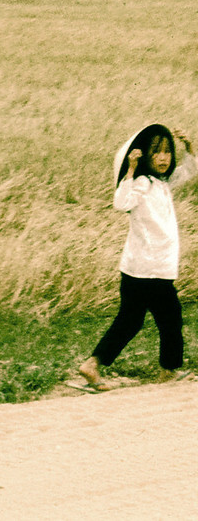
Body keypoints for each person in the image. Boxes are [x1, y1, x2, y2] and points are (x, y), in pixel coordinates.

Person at [79, 124, 197, 390]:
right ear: (143, 155)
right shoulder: (142, 183)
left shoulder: (161, 183)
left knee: (130, 321)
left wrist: (190, 148)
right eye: (157, 152)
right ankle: (169, 371)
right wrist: (131, 170)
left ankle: (92, 364)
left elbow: (191, 171)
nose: (164, 157)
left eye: (168, 151)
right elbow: (121, 203)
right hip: (150, 270)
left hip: (139, 268)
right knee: (171, 319)